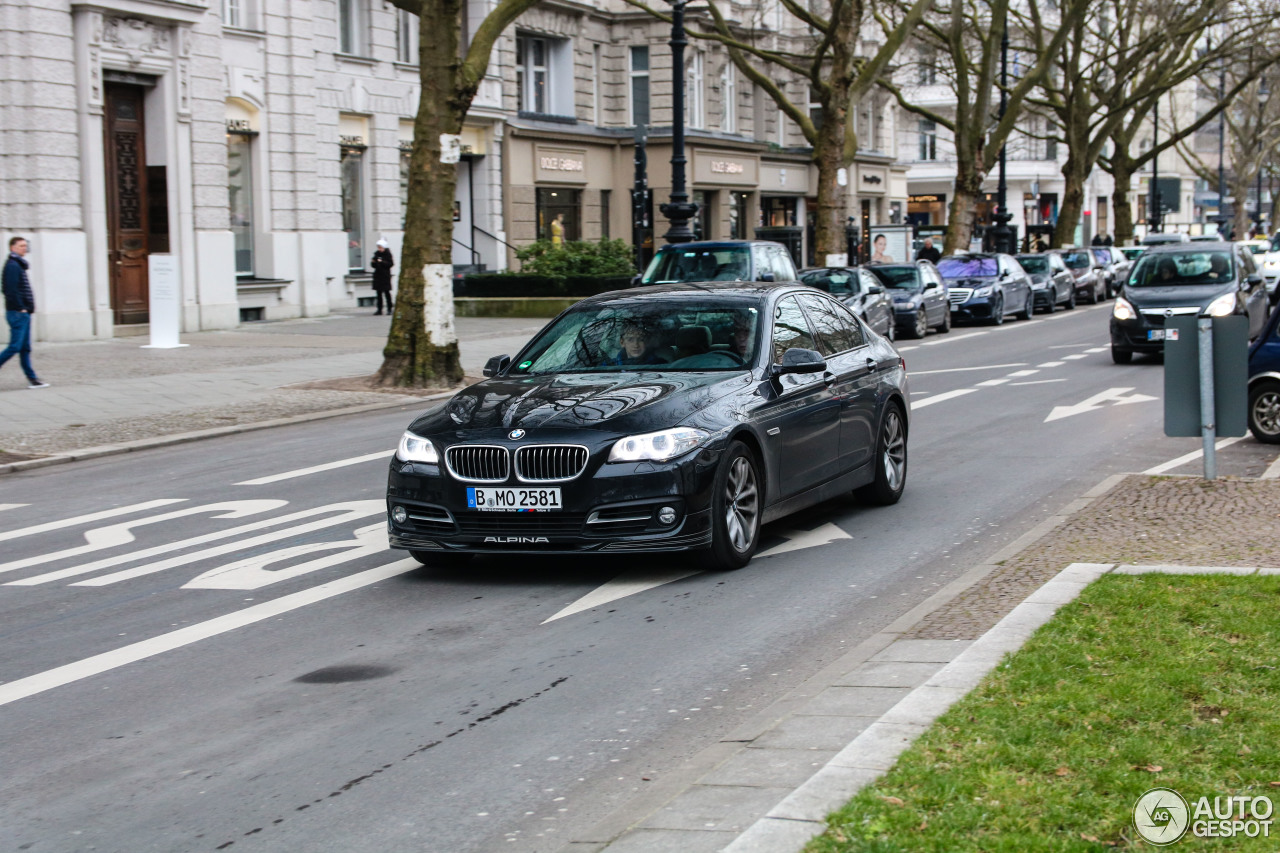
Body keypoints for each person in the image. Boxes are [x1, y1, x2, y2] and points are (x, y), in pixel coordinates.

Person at [1, 236, 47, 388]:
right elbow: (9, 290)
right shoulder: (13, 265)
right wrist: (20, 307)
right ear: (12, 248)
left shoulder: (18, 264)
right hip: (17, 313)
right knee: (15, 347)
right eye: (21, 246)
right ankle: (32, 379)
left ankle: (32, 379)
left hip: (23, 313)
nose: (24, 248)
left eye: (25, 246)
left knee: (25, 348)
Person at [371, 238, 394, 315]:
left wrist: (382, 262)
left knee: (387, 293)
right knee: (378, 293)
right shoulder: (376, 254)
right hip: (378, 276)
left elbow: (390, 264)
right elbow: (373, 265)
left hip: (385, 276)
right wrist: (374, 262)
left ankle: (389, 309)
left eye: (380, 247)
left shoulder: (387, 254)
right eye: (378, 247)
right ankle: (379, 309)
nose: (379, 249)